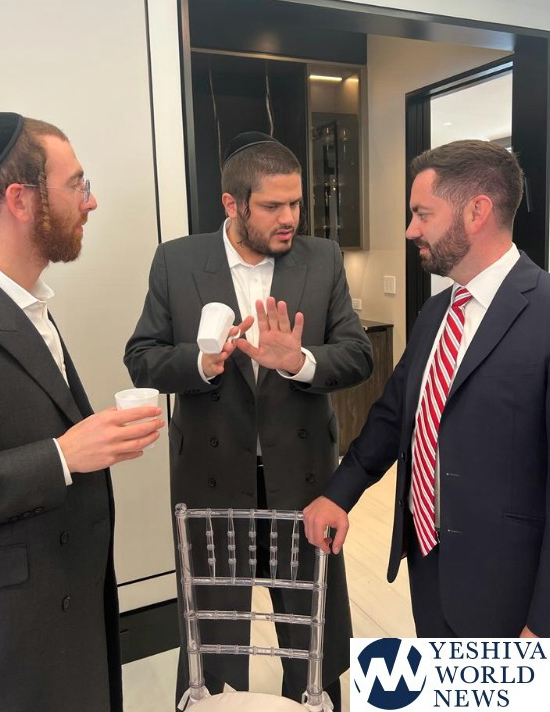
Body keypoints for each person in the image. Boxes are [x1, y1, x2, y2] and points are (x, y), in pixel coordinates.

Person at [124, 131, 372, 706]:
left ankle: (316, 699)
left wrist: (301, 361)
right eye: (273, 206)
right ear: (232, 204)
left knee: (311, 616)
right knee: (213, 617)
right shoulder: (177, 260)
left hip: (303, 472)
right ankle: (211, 698)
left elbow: (358, 355)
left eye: (296, 203)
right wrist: (201, 363)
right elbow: (141, 357)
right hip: (211, 469)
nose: (290, 219)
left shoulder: (323, 259)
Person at [0, 112, 164, 712]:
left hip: (68, 624)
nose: (90, 202)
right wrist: (61, 457)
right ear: (21, 200)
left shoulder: (30, 307)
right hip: (8, 656)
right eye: (77, 185)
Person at [304, 138, 550, 638]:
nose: (410, 229)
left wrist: (543, 621)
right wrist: (338, 493)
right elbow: (394, 415)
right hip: (427, 564)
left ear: (477, 211)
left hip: (511, 590)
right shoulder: (436, 312)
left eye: (422, 213)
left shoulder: (545, 311)